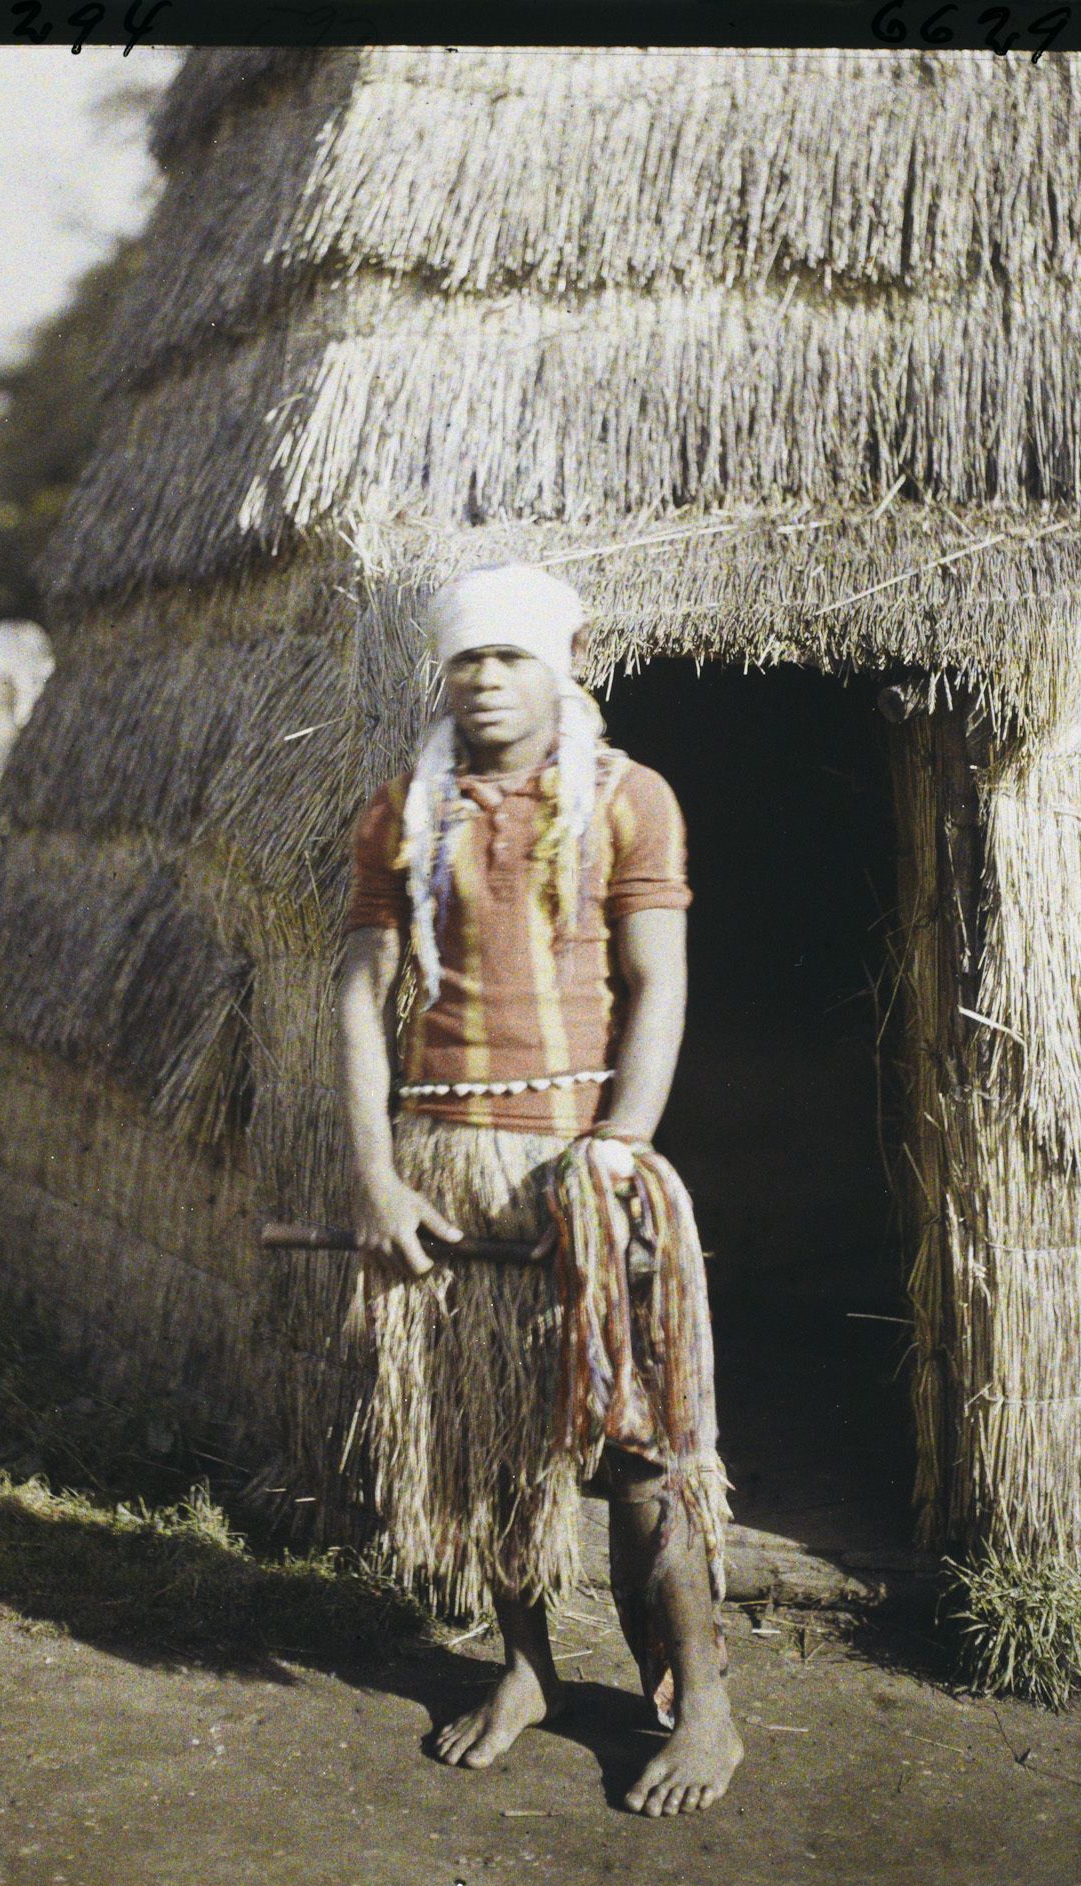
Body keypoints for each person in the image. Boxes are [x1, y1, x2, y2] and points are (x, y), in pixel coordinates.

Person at [336, 561, 740, 1818]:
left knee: (640, 1448)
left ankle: (703, 1700)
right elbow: (359, 991)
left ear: (559, 667)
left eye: (510, 656)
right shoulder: (404, 811)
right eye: (467, 659)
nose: (487, 680)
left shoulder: (628, 798)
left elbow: (658, 981)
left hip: (586, 1160)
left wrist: (621, 1143)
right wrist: (376, 1174)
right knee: (491, 1439)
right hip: (445, 1159)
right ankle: (526, 1667)